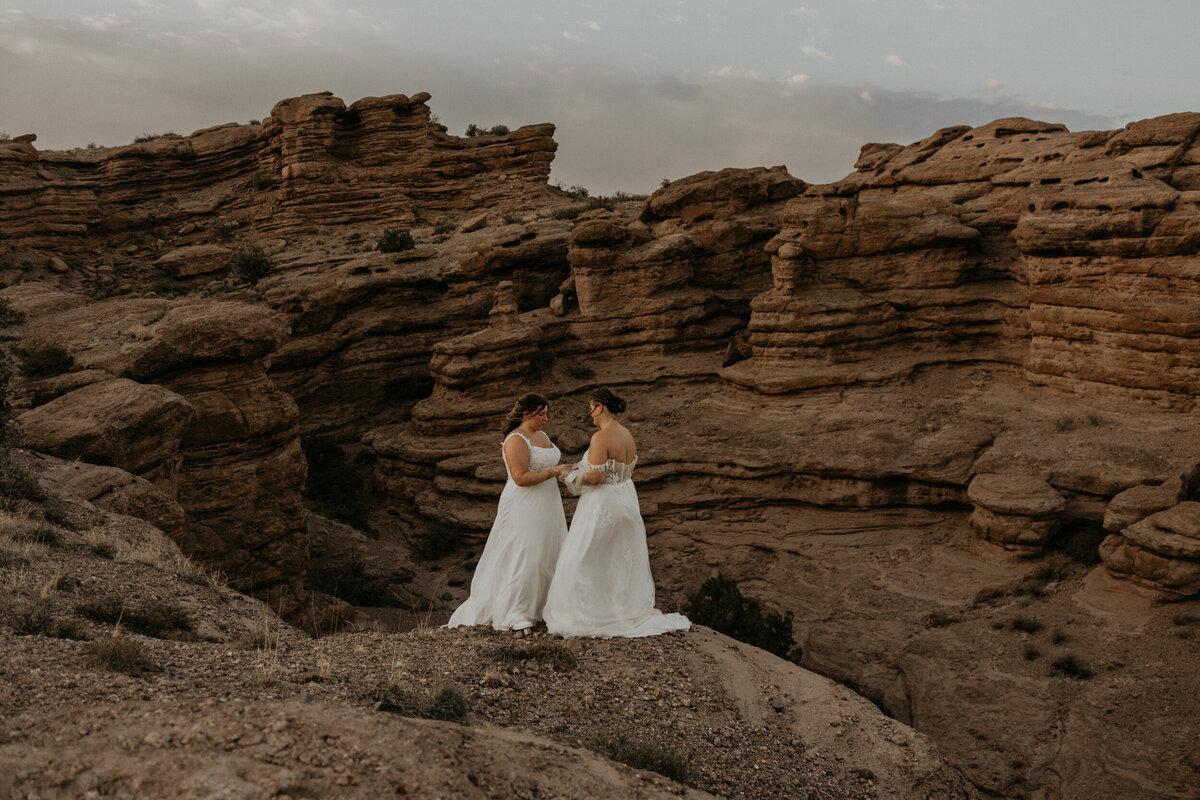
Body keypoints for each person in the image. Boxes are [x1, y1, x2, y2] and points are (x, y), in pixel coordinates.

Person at [543, 388, 690, 638]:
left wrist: (566, 474)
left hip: (602, 504)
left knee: (582, 557)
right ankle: (620, 610)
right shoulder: (626, 434)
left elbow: (597, 478)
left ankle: (587, 615)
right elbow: (619, 470)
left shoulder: (601, 438)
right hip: (626, 500)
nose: (590, 414)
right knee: (617, 559)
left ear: (600, 407)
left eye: (591, 408)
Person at [447, 393, 570, 634]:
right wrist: (555, 472)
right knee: (525, 552)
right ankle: (516, 611)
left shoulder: (542, 436)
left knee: (547, 551)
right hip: (525, 504)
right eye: (541, 414)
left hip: (549, 503)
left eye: (547, 414)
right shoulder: (516, 440)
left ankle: (546, 606)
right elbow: (521, 478)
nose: (546, 419)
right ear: (526, 414)